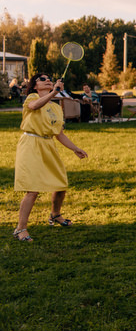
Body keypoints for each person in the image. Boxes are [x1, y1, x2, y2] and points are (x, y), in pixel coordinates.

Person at [13, 74, 88, 242]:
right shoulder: (31, 97)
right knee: (33, 189)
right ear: (34, 86)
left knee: (61, 183)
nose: (47, 80)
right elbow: (34, 106)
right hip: (31, 143)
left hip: (48, 145)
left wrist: (75, 148)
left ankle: (55, 215)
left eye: (49, 78)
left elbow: (59, 134)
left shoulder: (56, 108)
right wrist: (54, 92)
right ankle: (20, 229)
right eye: (42, 79)